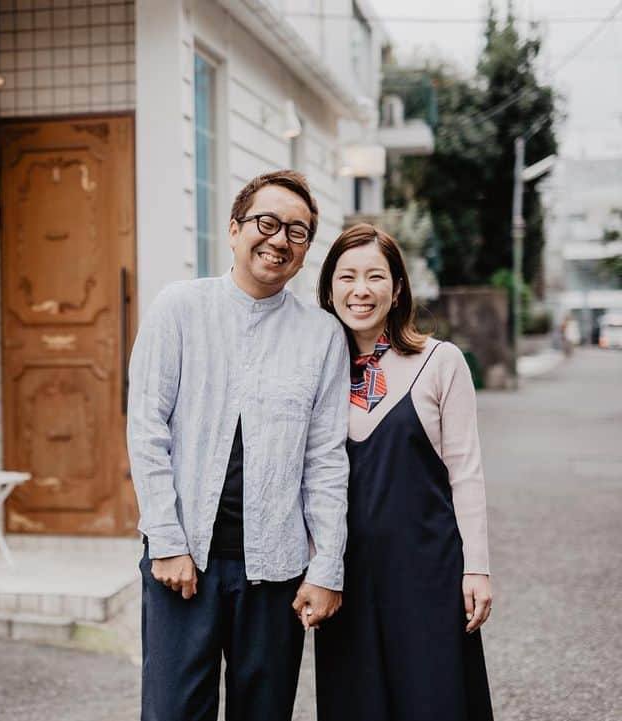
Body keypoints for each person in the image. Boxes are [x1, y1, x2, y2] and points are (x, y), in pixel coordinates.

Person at [127, 170, 350, 721]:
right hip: (185, 564)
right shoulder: (179, 307)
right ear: (234, 229)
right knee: (173, 712)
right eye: (266, 223)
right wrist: (167, 539)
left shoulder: (320, 335)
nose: (279, 240)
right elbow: (146, 429)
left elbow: (325, 461)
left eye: (296, 233)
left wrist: (326, 568)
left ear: (304, 252)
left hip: (276, 572)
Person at [314, 224, 494, 721]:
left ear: (397, 290)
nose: (361, 290)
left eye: (375, 277)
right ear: (330, 289)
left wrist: (476, 566)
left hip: (428, 572)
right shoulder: (315, 370)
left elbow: (466, 470)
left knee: (434, 700)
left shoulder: (441, 362)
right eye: (346, 277)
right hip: (346, 576)